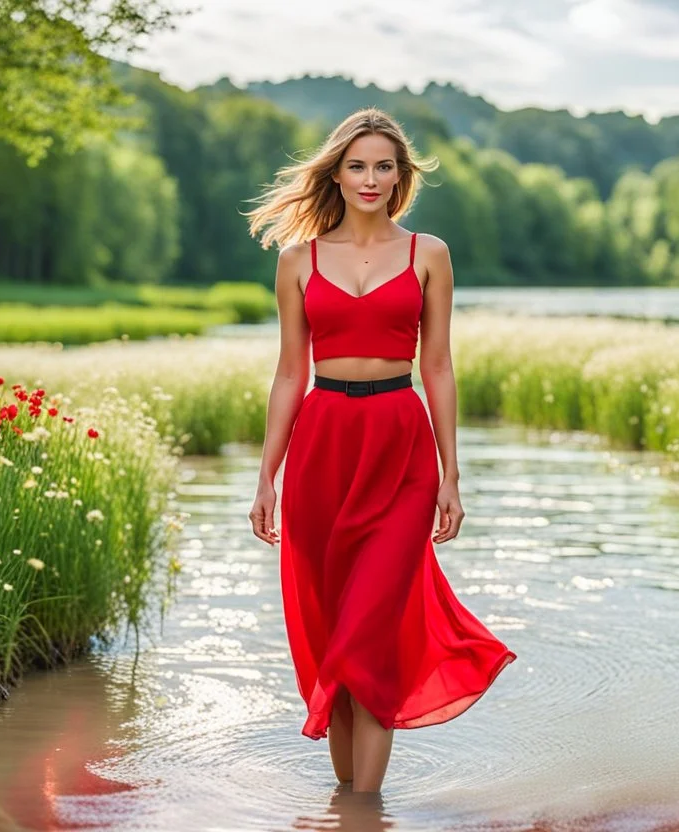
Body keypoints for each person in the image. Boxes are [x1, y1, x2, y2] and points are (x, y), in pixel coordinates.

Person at [242, 107, 517, 795]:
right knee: (335, 636)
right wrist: (265, 477)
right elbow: (287, 373)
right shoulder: (297, 260)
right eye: (358, 165)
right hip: (322, 449)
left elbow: (441, 367)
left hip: (401, 449)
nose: (371, 178)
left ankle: (363, 806)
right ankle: (354, 806)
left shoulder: (429, 253)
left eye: (384, 166)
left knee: (368, 635)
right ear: (336, 172)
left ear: (401, 177)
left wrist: (452, 476)